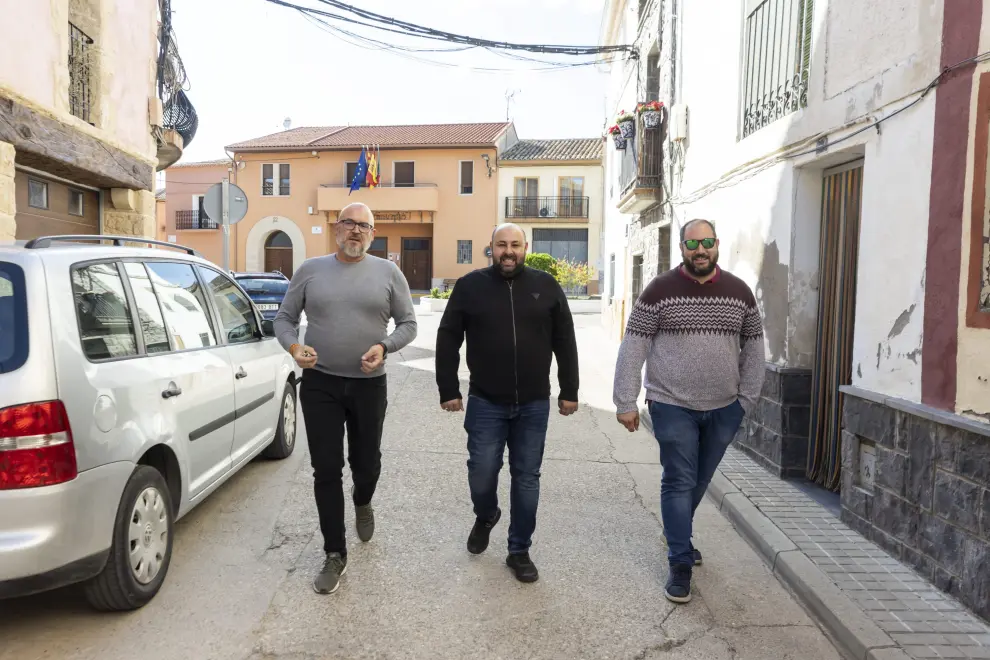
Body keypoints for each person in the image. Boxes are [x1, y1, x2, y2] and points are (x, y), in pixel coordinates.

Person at [612, 218, 765, 604]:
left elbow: (755, 349)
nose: (701, 250)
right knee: (679, 479)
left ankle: (677, 530)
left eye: (707, 242)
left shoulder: (740, 292)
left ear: (717, 245)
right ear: (682, 248)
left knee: (700, 478)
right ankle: (680, 561)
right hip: (670, 403)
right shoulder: (660, 290)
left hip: (724, 407)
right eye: (692, 243)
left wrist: (745, 401)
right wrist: (625, 401)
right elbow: (634, 346)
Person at [274, 202, 417, 595]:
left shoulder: (389, 273)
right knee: (326, 469)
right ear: (337, 229)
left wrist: (385, 347)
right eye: (349, 223)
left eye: (364, 226)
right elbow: (284, 319)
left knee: (366, 463)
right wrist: (293, 348)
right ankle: (335, 554)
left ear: (373, 234)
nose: (356, 231)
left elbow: (409, 324)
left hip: (369, 385)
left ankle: (364, 499)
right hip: (320, 382)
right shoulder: (310, 271)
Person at [436, 223, 579, 583]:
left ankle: (519, 551)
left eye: (515, 244)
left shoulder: (546, 286)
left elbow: (565, 339)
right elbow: (447, 338)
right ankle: (486, 515)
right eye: (502, 245)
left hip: (533, 403)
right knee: (482, 472)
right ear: (491, 248)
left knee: (526, 477)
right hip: (486, 400)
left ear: (525, 248)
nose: (508, 251)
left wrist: (569, 390)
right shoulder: (470, 287)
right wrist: (448, 388)